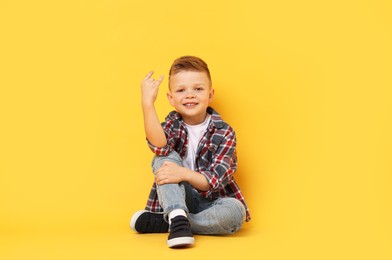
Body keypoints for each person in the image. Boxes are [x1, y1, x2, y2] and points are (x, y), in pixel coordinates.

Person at [130, 56, 251, 248]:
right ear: (171, 98)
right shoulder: (173, 123)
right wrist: (147, 104)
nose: (190, 95)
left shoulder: (224, 132)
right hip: (177, 197)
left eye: (198, 89)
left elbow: (214, 180)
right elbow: (159, 146)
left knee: (236, 213)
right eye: (181, 90)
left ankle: (173, 222)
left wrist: (184, 173)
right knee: (163, 157)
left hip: (211, 203)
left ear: (210, 95)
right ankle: (177, 214)